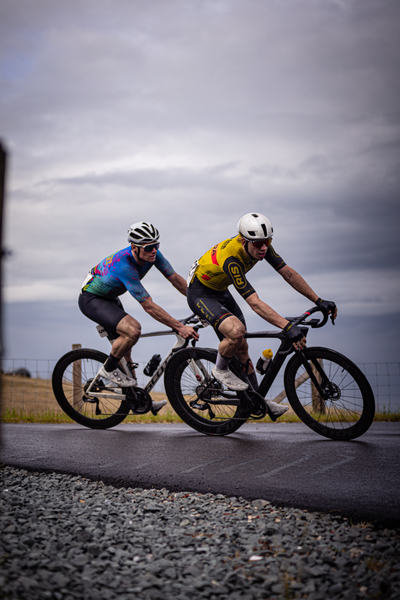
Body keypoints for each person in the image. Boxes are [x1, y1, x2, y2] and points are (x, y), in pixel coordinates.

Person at [186, 212, 337, 419]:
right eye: (258, 244)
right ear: (243, 241)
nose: (264, 247)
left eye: (267, 241)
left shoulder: (261, 248)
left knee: (243, 347)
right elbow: (254, 303)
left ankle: (255, 399)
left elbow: (288, 273)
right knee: (236, 332)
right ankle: (220, 370)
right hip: (200, 293)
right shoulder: (232, 259)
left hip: (220, 290)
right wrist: (286, 326)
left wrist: (318, 300)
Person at [79, 221, 199, 414]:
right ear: (134, 247)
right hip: (92, 300)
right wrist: (179, 327)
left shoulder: (154, 255)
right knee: (133, 330)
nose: (154, 251)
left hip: (110, 298)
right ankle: (109, 369)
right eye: (149, 247)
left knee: (126, 353)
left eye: (157, 245)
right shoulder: (124, 266)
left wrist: (199, 302)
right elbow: (148, 306)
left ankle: (135, 401)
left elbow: (175, 278)